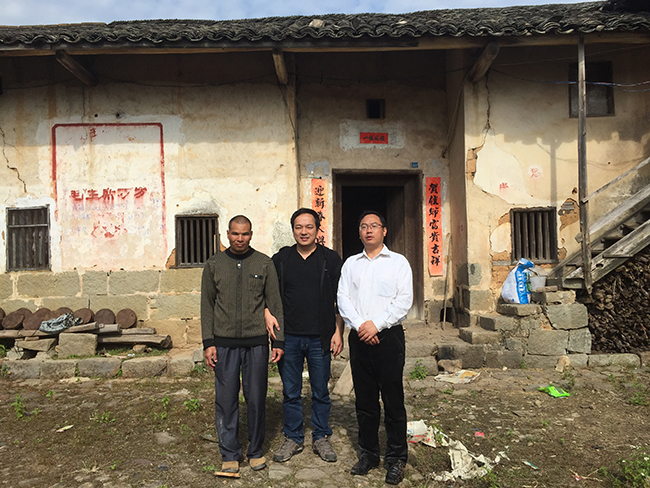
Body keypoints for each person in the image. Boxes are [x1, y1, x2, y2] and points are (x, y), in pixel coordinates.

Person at [201, 215, 284, 474]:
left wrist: (278, 340)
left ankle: (255, 450)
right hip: (224, 343)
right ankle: (230, 452)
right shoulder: (214, 264)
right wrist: (208, 342)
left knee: (256, 398)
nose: (240, 239)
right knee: (226, 400)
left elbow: (274, 302)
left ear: (251, 234)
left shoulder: (264, 263)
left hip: (256, 343)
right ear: (227, 234)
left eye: (245, 234)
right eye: (235, 234)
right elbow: (207, 305)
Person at [337, 210, 413, 485]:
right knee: (365, 401)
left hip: (389, 338)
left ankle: (396, 458)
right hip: (359, 338)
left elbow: (404, 300)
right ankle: (369, 454)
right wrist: (361, 326)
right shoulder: (351, 264)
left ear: (384, 230)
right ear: (359, 232)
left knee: (393, 401)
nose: (369, 230)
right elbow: (343, 298)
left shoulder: (398, 263)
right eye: (363, 226)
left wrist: (376, 325)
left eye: (374, 226)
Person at [265, 208, 344, 463]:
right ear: (293, 230)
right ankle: (293, 437)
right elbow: (269, 293)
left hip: (321, 337)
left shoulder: (330, 259)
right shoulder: (282, 259)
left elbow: (340, 299)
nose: (304, 232)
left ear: (317, 229)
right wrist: (268, 316)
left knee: (321, 390)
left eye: (309, 227)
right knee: (291, 391)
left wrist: (338, 331)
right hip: (289, 337)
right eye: (299, 227)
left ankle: (321, 436)